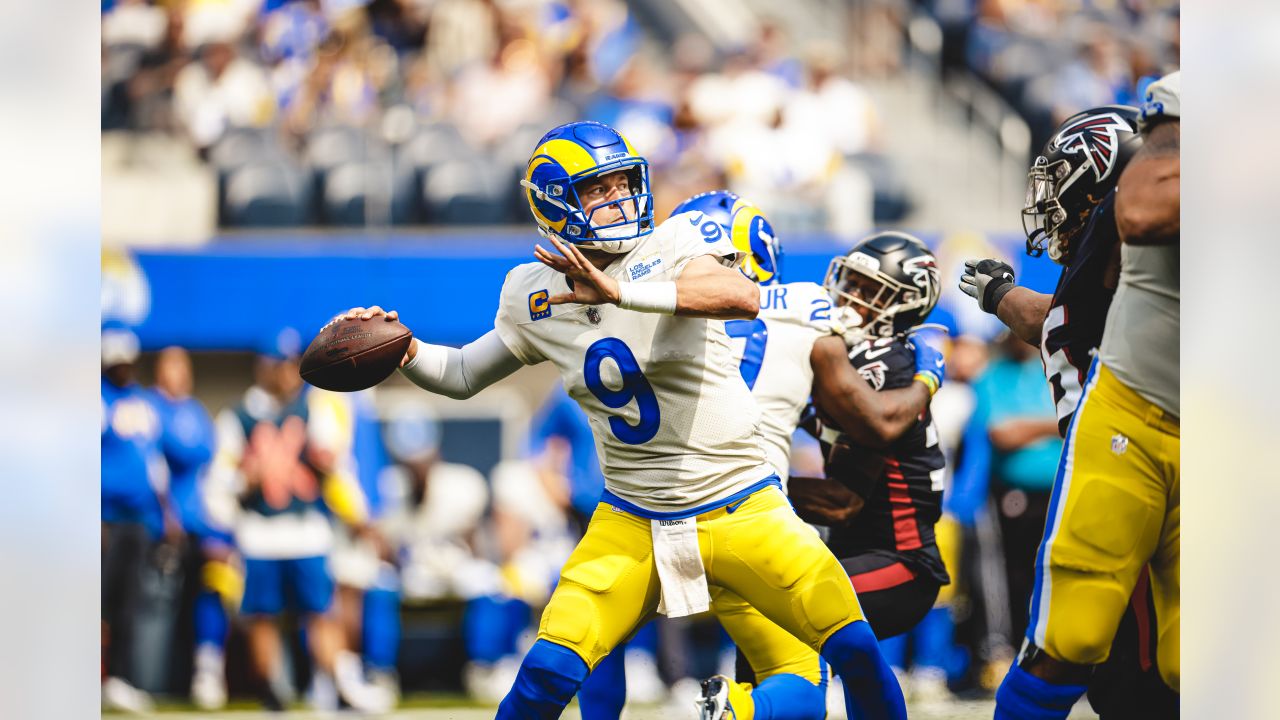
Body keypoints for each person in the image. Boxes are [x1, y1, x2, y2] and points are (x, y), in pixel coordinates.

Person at [343, 120, 909, 719]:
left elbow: (737, 295)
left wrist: (618, 291)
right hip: (632, 519)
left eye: (623, 183)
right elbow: (460, 374)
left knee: (855, 651)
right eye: (598, 189)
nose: (619, 198)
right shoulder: (530, 293)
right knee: (545, 673)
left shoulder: (674, 242)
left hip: (742, 503)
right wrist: (405, 350)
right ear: (556, 203)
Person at [960, 103, 1176, 716]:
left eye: (1065, 179)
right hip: (1112, 473)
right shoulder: (1100, 263)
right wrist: (1000, 293)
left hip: (1143, 472)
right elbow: (1057, 320)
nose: (1053, 199)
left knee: (1120, 665)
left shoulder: (1132, 227)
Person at [774, 233, 952, 710]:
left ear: (904, 301)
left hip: (901, 563)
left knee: (777, 615)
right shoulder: (851, 356)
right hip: (858, 552)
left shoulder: (885, 363)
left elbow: (841, 500)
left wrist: (753, 489)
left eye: (866, 287)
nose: (848, 294)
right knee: (848, 657)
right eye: (849, 279)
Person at [203, 328, 393, 713]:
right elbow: (219, 485)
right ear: (264, 369)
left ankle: (339, 685)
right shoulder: (237, 418)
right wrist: (243, 486)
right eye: (281, 365)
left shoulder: (315, 411)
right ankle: (272, 692)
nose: (289, 374)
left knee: (322, 613)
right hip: (259, 532)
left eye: (292, 365)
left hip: (307, 530)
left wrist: (356, 513)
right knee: (262, 617)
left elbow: (337, 472)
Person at [148, 346, 231, 710]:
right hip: (165, 523)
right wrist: (168, 515)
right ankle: (151, 678)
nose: (179, 373)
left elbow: (211, 468)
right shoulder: (151, 409)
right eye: (172, 365)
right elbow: (153, 468)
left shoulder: (195, 412)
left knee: (214, 587)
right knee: (160, 605)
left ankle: (208, 667)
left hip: (203, 521)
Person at [101, 323, 176, 714]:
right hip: (106, 517)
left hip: (139, 519)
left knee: (126, 603)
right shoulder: (96, 400)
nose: (123, 369)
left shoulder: (143, 404)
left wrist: (167, 512)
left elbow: (154, 463)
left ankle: (119, 678)